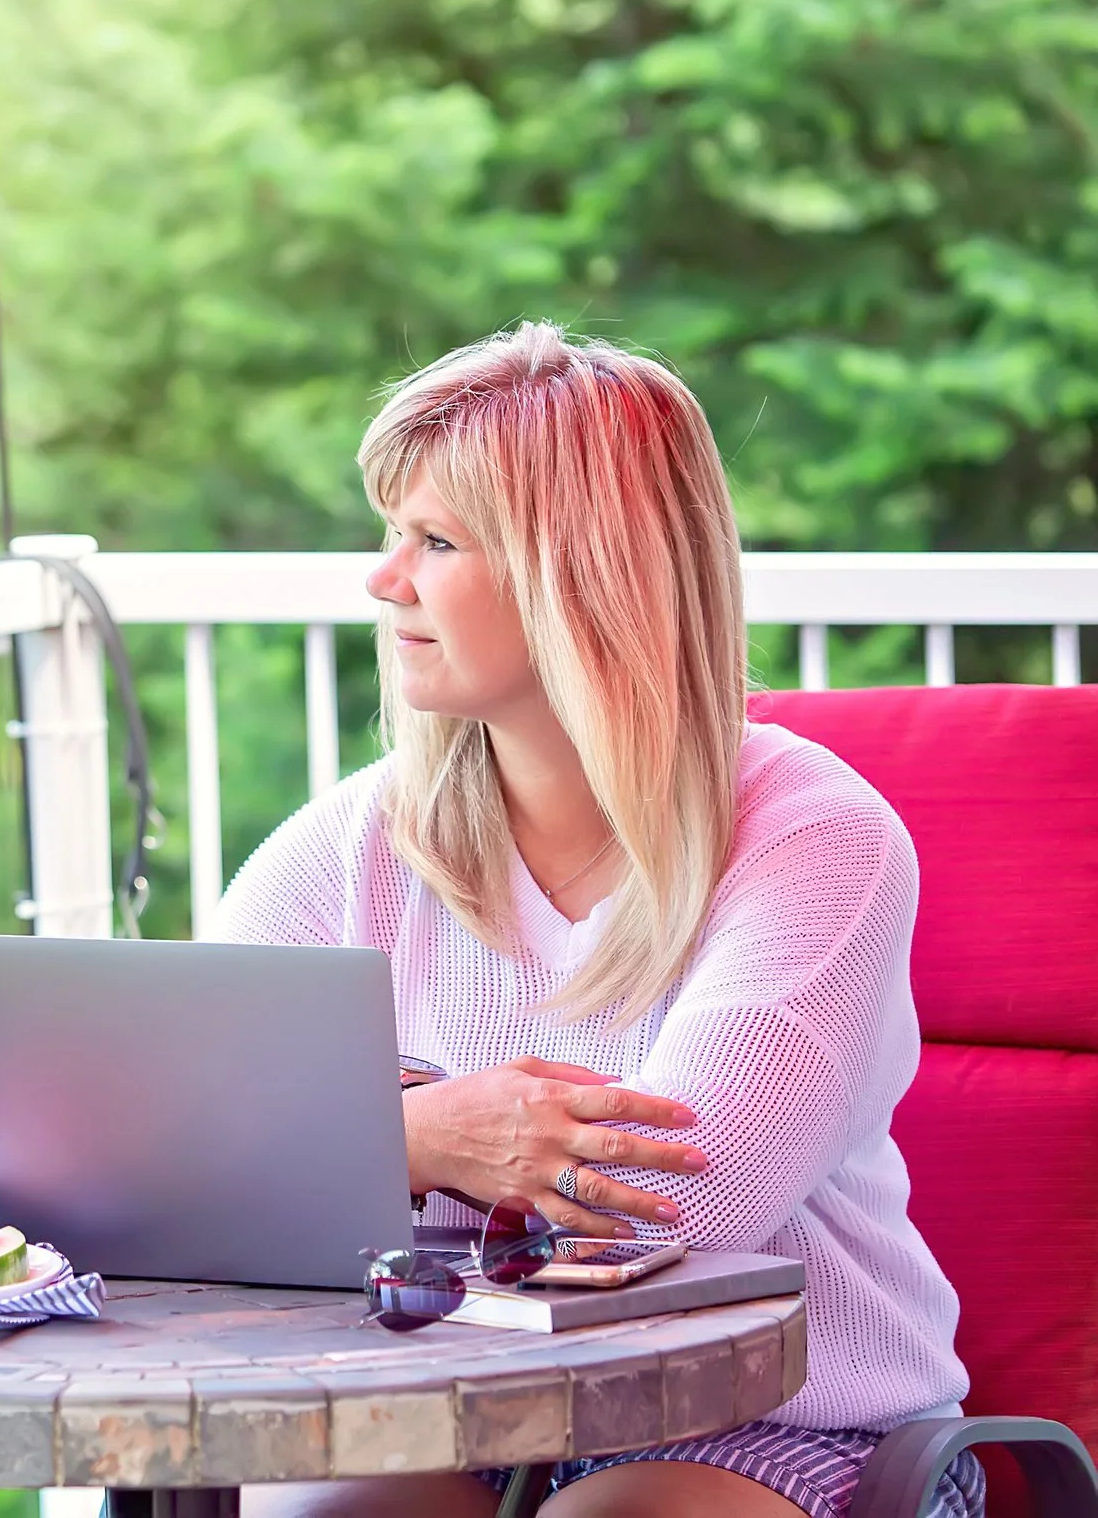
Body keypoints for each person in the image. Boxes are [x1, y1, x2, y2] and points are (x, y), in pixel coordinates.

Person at [212, 323, 978, 1518]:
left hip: (783, 1421)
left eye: (435, 540)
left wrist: (348, 1125)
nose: (383, 578)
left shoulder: (815, 835)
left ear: (581, 574)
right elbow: (172, 1146)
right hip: (446, 1417)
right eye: (390, 533)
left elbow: (675, 1200)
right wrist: (432, 1130)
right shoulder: (354, 841)